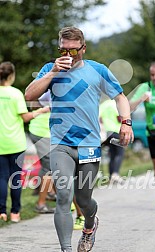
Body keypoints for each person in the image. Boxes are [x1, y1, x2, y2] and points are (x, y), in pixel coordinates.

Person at [25, 27, 133, 252]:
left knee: (84, 200)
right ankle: (66, 249)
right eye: (63, 50)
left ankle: (90, 226)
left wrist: (126, 122)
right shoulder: (50, 69)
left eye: (73, 51)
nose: (68, 56)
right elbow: (29, 95)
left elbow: (120, 97)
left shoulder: (97, 70)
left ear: (83, 48)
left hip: (89, 144)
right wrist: (53, 71)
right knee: (64, 195)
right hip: (60, 144)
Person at [0, 61, 49, 223]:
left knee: (1, 178)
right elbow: (25, 117)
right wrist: (40, 111)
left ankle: (2, 212)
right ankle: (15, 213)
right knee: (15, 179)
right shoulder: (15, 94)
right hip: (16, 143)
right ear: (12, 76)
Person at [129, 61, 155, 210]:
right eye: (152, 75)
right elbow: (129, 107)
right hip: (153, 134)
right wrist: (141, 99)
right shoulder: (146, 87)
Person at [28, 90, 56, 213]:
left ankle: (50, 192)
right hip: (41, 131)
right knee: (49, 166)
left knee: (51, 165)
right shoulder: (56, 87)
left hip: (45, 130)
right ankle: (41, 204)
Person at [99, 99, 125, 184]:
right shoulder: (116, 104)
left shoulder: (103, 104)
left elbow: (99, 118)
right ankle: (115, 174)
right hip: (115, 131)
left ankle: (110, 176)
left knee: (112, 153)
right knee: (119, 153)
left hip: (107, 133)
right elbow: (119, 118)